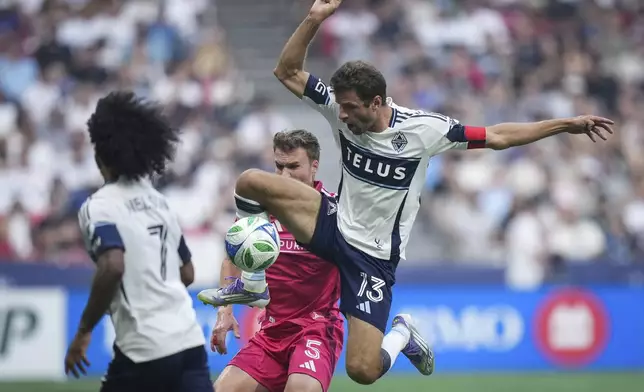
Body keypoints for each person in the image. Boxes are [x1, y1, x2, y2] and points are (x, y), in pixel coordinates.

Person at [200, 0, 614, 385]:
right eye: (338, 107)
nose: (340, 115)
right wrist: (313, 19)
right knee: (251, 181)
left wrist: (565, 124)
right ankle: (252, 282)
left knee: (363, 370)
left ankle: (403, 334)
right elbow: (287, 72)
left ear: (376, 102)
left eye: (349, 108)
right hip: (333, 225)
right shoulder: (339, 112)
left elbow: (499, 136)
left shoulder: (425, 130)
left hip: (372, 258)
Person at [64, 92, 212, 392]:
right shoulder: (159, 202)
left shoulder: (100, 206)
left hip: (145, 350)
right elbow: (188, 274)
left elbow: (113, 265)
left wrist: (83, 332)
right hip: (189, 342)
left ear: (100, 155)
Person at [200, 129, 344, 392]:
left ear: (314, 167)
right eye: (279, 166)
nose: (285, 175)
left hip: (316, 329)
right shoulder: (259, 212)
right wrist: (225, 311)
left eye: (293, 166)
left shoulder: (334, 213)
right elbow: (231, 260)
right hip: (272, 331)